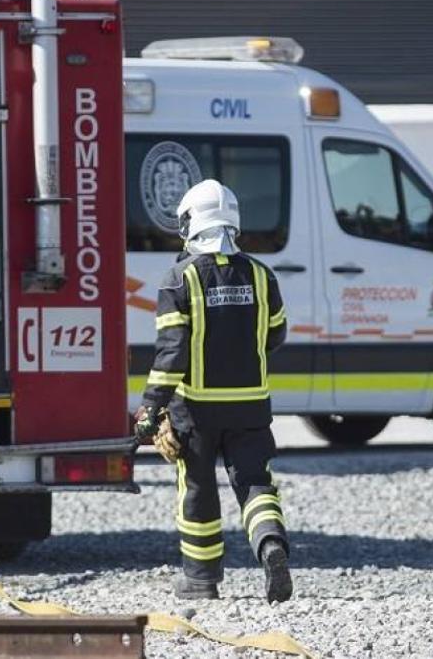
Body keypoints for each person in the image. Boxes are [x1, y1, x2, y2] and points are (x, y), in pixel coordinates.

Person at [135, 179, 292, 602]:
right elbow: (275, 335)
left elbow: (172, 354)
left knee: (198, 489)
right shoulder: (262, 275)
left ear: (189, 224)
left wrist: (150, 408)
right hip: (251, 407)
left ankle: (201, 580)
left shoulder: (178, 279)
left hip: (197, 412)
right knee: (255, 483)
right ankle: (270, 543)